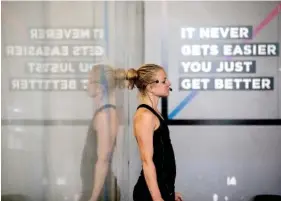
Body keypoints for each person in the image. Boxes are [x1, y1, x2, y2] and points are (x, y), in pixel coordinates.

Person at [127, 64, 183, 201]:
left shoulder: (154, 112)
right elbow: (147, 161)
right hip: (149, 195)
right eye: (164, 81)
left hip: (162, 190)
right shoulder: (145, 116)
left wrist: (169, 193)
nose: (168, 83)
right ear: (150, 87)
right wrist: (157, 198)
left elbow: (162, 155)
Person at [79, 64, 126, 201]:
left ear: (99, 87)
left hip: (100, 192)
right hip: (95, 189)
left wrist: (93, 198)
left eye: (89, 81)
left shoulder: (105, 115)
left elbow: (103, 159)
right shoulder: (103, 113)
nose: (87, 85)